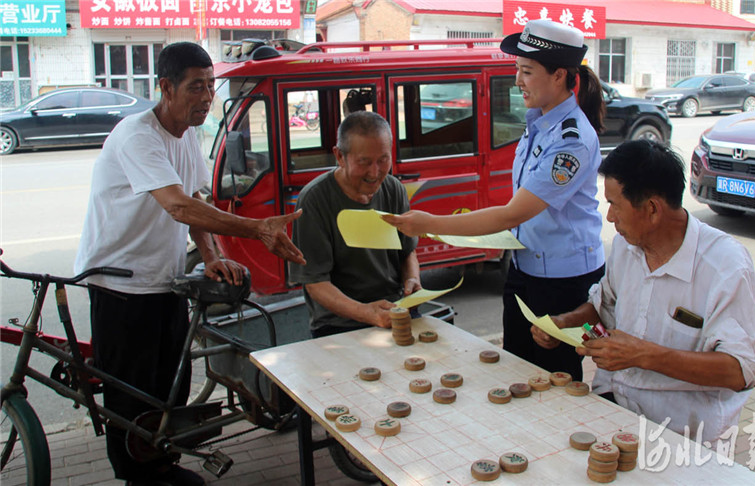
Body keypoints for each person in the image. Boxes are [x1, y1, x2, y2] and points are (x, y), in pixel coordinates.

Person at [74, 42, 305, 486]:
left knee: (170, 386)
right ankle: (139, 478)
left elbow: (197, 199)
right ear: (166, 87)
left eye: (211, 87)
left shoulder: (186, 138)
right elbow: (178, 206)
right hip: (119, 284)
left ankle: (162, 465)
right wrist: (256, 229)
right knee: (130, 392)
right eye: (196, 87)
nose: (206, 98)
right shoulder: (137, 135)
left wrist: (214, 257)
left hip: (164, 281)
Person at [383, 19, 606, 380]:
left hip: (563, 283)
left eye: (527, 71)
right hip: (525, 269)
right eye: (517, 70)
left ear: (560, 75)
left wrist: (429, 225)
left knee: (556, 379)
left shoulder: (571, 140)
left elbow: (510, 214)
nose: (518, 81)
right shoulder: (538, 123)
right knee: (515, 371)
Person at [537, 140, 755, 443]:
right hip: (612, 404)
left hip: (680, 431)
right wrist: (566, 323)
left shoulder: (725, 266)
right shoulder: (626, 247)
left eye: (615, 204)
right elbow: (603, 307)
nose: (610, 217)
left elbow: (737, 371)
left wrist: (643, 355)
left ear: (652, 209)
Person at [289, 111, 421, 337]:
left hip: (393, 311)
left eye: (383, 160)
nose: (375, 172)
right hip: (339, 324)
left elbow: (408, 252)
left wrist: (413, 280)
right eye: (364, 162)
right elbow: (315, 282)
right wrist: (367, 313)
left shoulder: (394, 189)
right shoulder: (314, 199)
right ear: (339, 156)